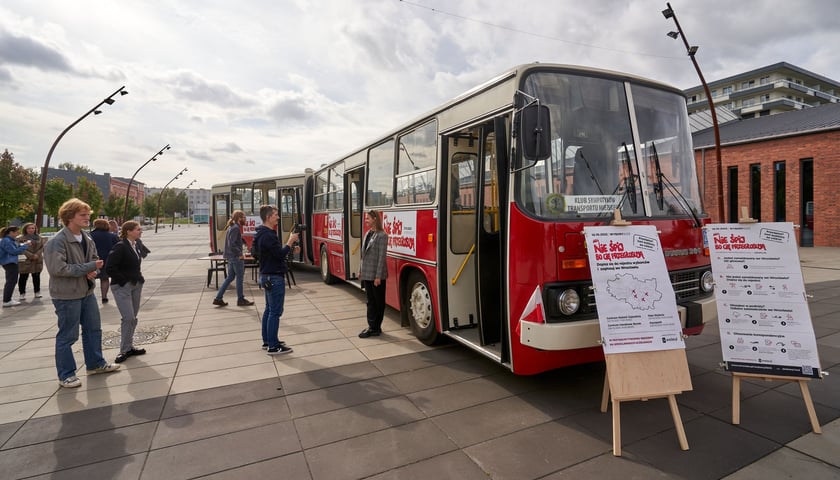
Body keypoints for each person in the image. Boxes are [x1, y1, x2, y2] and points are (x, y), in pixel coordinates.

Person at [44, 198, 120, 388]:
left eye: (88, 214)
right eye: (83, 215)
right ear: (70, 217)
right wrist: (89, 267)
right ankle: (66, 375)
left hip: (86, 292)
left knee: (93, 330)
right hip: (66, 295)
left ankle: (95, 364)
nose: (88, 218)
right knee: (68, 336)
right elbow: (58, 269)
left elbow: (94, 258)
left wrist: (92, 270)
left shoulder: (86, 237)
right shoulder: (57, 241)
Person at [253, 205, 299, 355]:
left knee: (269, 309)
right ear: (268, 217)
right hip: (274, 276)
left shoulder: (260, 234)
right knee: (275, 312)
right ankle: (273, 346)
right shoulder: (268, 235)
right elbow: (279, 254)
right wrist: (290, 242)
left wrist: (288, 248)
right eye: (275, 215)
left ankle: (268, 341)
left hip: (266, 274)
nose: (278, 217)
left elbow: (256, 253)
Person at [105, 221, 147, 363]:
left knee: (133, 318)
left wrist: (139, 279)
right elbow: (109, 267)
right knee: (128, 317)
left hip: (136, 285)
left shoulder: (136, 245)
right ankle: (124, 349)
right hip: (123, 287)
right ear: (128, 231)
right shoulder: (120, 246)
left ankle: (129, 346)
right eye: (138, 229)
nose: (140, 232)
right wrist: (124, 281)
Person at [212, 210, 254, 307]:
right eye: (244, 217)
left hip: (231, 256)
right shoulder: (235, 228)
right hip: (236, 257)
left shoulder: (232, 227)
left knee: (230, 277)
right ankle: (241, 299)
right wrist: (240, 254)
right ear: (239, 218)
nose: (245, 219)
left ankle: (218, 298)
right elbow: (232, 244)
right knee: (239, 278)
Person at [358, 210, 389, 338]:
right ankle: (372, 326)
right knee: (370, 301)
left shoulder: (382, 235)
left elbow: (382, 257)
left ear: (375, 219)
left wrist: (378, 276)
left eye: (368, 219)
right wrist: (360, 270)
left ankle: (376, 327)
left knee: (378, 302)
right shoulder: (368, 234)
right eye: (366, 219)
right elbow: (363, 255)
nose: (366, 221)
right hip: (367, 273)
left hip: (376, 275)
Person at [1, 226, 32, 307]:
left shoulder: (9, 240)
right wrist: (25, 246)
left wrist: (23, 244)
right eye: (17, 232)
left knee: (12, 281)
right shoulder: (6, 240)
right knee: (11, 281)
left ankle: (8, 299)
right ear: (11, 232)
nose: (18, 234)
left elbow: (15, 247)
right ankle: (6, 300)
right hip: (9, 262)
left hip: (10, 262)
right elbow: (13, 251)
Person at [89, 219, 118, 304]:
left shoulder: (89, 236)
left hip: (92, 261)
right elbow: (117, 248)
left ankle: (90, 297)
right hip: (107, 260)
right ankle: (104, 297)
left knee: (90, 278)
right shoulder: (112, 236)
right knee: (104, 279)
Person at [17, 223, 44, 301]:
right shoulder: (20, 238)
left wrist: (37, 254)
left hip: (37, 260)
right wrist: (30, 255)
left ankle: (37, 292)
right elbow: (21, 248)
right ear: (25, 229)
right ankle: (22, 293)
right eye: (29, 228)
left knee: (36, 277)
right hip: (26, 260)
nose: (31, 230)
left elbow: (42, 247)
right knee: (23, 277)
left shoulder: (39, 238)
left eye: (33, 228)